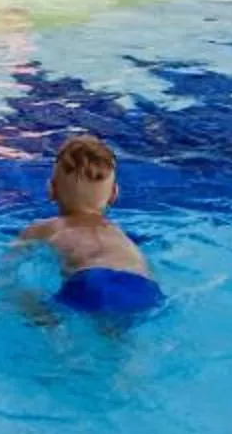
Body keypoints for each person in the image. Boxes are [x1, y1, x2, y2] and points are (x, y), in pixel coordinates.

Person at [17, 132, 161, 315]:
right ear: (114, 194)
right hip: (141, 286)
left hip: (91, 282)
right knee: (120, 336)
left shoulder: (44, 228)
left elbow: (6, 269)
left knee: (52, 324)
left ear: (51, 189)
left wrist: (30, 306)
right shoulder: (118, 233)